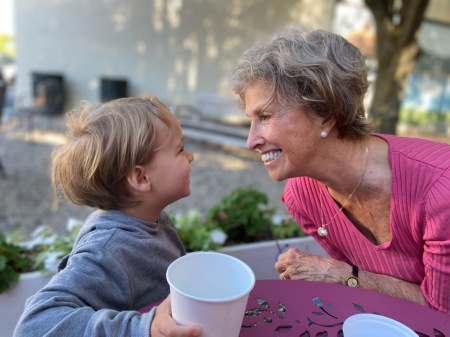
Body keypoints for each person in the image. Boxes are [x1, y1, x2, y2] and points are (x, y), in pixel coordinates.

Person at [231, 29, 450, 314]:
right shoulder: (302, 197)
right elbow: (368, 291)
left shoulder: (440, 190)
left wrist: (341, 275)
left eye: (265, 117)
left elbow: (441, 315)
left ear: (325, 113)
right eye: (251, 120)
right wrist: (348, 276)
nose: (251, 141)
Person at [14, 97, 202, 336]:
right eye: (180, 149)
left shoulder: (150, 218)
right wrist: (143, 328)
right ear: (141, 178)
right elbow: (33, 326)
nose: (191, 156)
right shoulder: (107, 249)